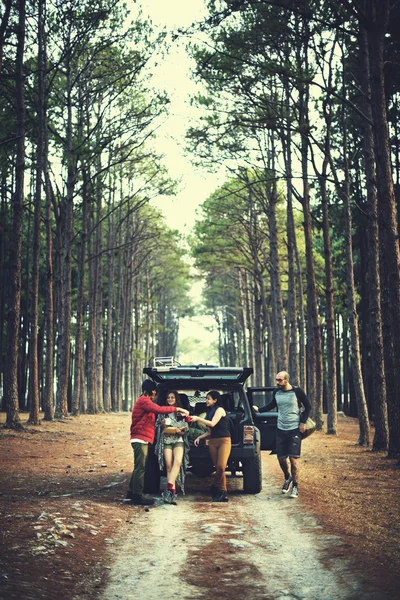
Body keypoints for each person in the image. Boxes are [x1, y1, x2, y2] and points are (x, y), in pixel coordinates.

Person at [125, 380, 189, 506]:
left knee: (139, 466)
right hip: (140, 438)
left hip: (142, 438)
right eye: (154, 390)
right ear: (152, 390)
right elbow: (158, 409)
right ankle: (138, 495)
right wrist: (177, 408)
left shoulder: (144, 401)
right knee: (141, 468)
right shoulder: (144, 401)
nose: (155, 393)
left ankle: (131, 493)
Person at [253, 371, 311, 499]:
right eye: (276, 380)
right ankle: (287, 477)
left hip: (294, 429)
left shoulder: (297, 391)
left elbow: (308, 407)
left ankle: (295, 486)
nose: (277, 382)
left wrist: (303, 422)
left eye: (279, 380)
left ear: (286, 380)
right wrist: (259, 410)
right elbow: (272, 405)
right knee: (281, 459)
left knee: (293, 460)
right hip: (280, 429)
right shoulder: (276, 392)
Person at [191, 390, 231, 502]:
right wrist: (199, 437)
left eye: (208, 398)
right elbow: (209, 431)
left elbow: (213, 423)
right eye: (206, 398)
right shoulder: (208, 413)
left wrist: (198, 418)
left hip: (224, 441)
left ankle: (214, 486)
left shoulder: (220, 410)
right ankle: (223, 492)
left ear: (215, 400)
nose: (206, 401)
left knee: (221, 466)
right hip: (213, 442)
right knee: (218, 468)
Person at [155, 391, 190, 505]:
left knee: (178, 461)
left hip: (178, 440)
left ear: (176, 399)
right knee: (169, 466)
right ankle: (172, 493)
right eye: (169, 397)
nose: (170, 399)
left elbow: (187, 427)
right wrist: (162, 425)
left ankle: (169, 487)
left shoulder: (180, 412)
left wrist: (182, 431)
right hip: (166, 441)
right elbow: (156, 426)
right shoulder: (162, 412)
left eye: (172, 397)